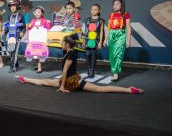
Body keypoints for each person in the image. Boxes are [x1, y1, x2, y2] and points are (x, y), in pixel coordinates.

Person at [15, 36, 143, 94]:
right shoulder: (69, 51)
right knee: (100, 89)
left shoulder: (70, 54)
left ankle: (24, 79)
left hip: (71, 81)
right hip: (74, 79)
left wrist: (62, 86)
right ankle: (130, 90)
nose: (60, 43)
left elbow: (65, 71)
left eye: (62, 42)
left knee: (45, 82)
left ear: (66, 45)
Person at [103, 0, 131, 81]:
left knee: (118, 54)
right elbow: (108, 28)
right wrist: (105, 40)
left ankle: (116, 73)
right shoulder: (111, 15)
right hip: (112, 35)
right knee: (112, 54)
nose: (115, 6)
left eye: (117, 4)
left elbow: (129, 28)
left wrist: (128, 41)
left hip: (121, 34)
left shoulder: (126, 14)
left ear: (121, 5)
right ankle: (114, 71)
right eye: (114, 4)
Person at [82, 4, 105, 78]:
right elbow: (85, 31)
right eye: (92, 9)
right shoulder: (87, 20)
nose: (93, 11)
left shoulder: (101, 21)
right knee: (87, 55)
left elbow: (101, 32)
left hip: (96, 41)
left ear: (99, 11)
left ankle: (92, 70)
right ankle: (88, 69)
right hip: (88, 40)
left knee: (93, 56)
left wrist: (100, 42)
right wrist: (84, 40)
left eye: (95, 9)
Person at [27, 6, 52, 73]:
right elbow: (29, 28)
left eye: (39, 12)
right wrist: (28, 26)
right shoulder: (33, 20)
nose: (37, 13)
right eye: (36, 12)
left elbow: (48, 28)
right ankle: (37, 65)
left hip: (41, 39)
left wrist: (48, 22)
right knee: (34, 51)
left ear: (42, 14)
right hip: (34, 38)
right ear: (34, 13)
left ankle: (39, 67)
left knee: (39, 52)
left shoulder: (44, 21)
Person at [4, 0, 26, 73]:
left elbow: (24, 27)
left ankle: (12, 67)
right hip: (10, 36)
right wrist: (5, 31)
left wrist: (22, 32)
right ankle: (15, 64)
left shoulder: (20, 16)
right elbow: (7, 25)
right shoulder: (9, 15)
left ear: (18, 6)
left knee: (14, 51)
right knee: (10, 51)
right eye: (11, 6)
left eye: (14, 6)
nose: (12, 7)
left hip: (17, 35)